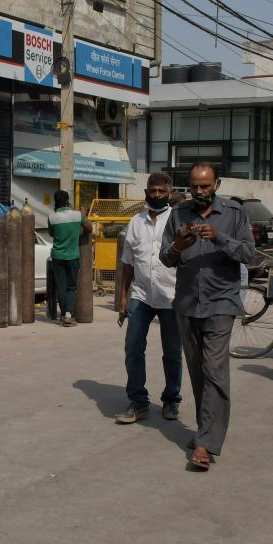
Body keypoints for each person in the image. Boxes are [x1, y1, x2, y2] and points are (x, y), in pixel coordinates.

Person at [159, 162, 254, 470]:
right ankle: (205, 430)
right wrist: (177, 245)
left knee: (215, 371)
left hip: (221, 303)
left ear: (217, 184)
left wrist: (219, 238)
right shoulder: (178, 214)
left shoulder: (235, 214)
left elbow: (248, 254)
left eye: (205, 186)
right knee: (198, 371)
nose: (199, 192)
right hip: (187, 304)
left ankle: (205, 445)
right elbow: (165, 258)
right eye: (194, 186)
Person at [115, 172, 182, 424]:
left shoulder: (177, 221)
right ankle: (138, 401)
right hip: (141, 295)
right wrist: (123, 297)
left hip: (171, 296)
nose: (156, 195)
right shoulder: (136, 222)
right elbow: (128, 263)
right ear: (146, 192)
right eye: (152, 191)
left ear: (169, 192)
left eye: (161, 192)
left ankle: (171, 400)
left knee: (172, 352)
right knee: (133, 347)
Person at [48, 189, 92, 327]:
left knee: (61, 287)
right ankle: (68, 316)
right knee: (71, 287)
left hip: (57, 256)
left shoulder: (52, 217)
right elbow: (89, 228)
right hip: (72, 256)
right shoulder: (78, 215)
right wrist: (83, 215)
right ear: (68, 200)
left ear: (56, 202)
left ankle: (62, 315)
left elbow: (51, 233)